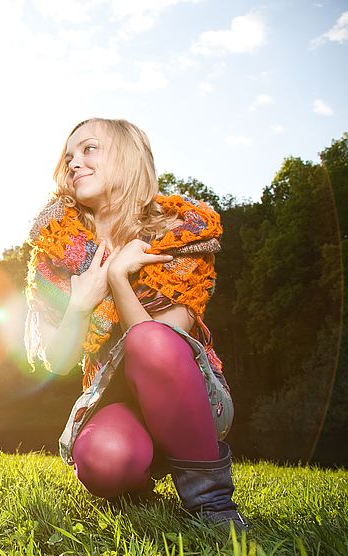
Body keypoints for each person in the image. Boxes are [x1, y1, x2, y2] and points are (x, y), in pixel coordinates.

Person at [24, 117, 250, 532]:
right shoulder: (57, 250)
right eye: (68, 156)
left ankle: (212, 504)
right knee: (102, 463)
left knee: (151, 339)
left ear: (128, 158)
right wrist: (78, 306)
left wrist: (117, 280)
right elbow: (57, 361)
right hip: (116, 400)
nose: (74, 162)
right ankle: (140, 473)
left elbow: (164, 342)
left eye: (89, 149)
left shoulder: (178, 233)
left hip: (191, 397)